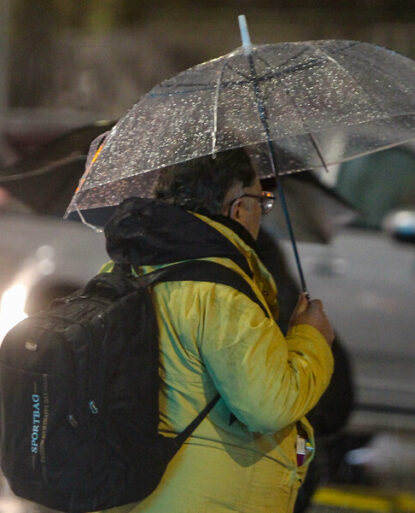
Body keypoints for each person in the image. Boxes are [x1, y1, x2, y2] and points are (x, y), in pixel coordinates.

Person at [98, 147, 336, 513]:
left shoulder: (122, 273)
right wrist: (311, 338)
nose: (261, 213)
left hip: (135, 496)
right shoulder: (220, 293)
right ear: (238, 208)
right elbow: (268, 406)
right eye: (261, 201)